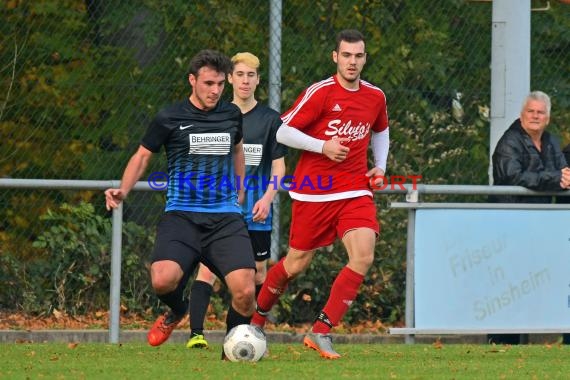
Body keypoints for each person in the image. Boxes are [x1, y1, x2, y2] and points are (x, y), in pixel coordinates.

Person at [250, 29, 390, 359]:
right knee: (296, 263)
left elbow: (381, 130)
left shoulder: (375, 96)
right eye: (347, 56)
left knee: (364, 254)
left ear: (364, 58)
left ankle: (322, 330)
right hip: (314, 193)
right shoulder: (321, 93)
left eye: (358, 56)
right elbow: (282, 130)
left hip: (355, 189)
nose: (352, 62)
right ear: (335, 58)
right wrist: (322, 146)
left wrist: (380, 167)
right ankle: (256, 322)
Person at [104, 49, 256, 351]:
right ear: (192, 80)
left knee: (245, 292)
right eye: (208, 84)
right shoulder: (169, 117)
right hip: (182, 215)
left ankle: (233, 351)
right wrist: (123, 189)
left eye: (220, 85)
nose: (215, 91)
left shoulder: (231, 114)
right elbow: (142, 156)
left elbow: (238, 150)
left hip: (224, 217)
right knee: (163, 280)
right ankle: (178, 310)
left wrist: (240, 188)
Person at [185, 52, 287, 349]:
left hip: (256, 211)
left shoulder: (270, 120)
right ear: (229, 77)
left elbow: (279, 167)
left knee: (257, 273)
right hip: (221, 210)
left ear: (257, 80)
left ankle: (238, 335)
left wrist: (268, 198)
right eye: (239, 74)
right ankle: (196, 335)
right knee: (209, 270)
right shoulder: (214, 114)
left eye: (251, 75)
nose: (245, 80)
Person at [490, 90, 570, 344]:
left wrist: (562, 178)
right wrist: (556, 179)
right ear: (522, 115)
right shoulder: (509, 141)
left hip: (541, 226)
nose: (535, 116)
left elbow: (561, 171)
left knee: (546, 281)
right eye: (531, 111)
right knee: (510, 285)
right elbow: (512, 176)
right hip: (510, 225)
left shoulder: (551, 142)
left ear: (547, 118)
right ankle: (502, 341)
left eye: (540, 112)